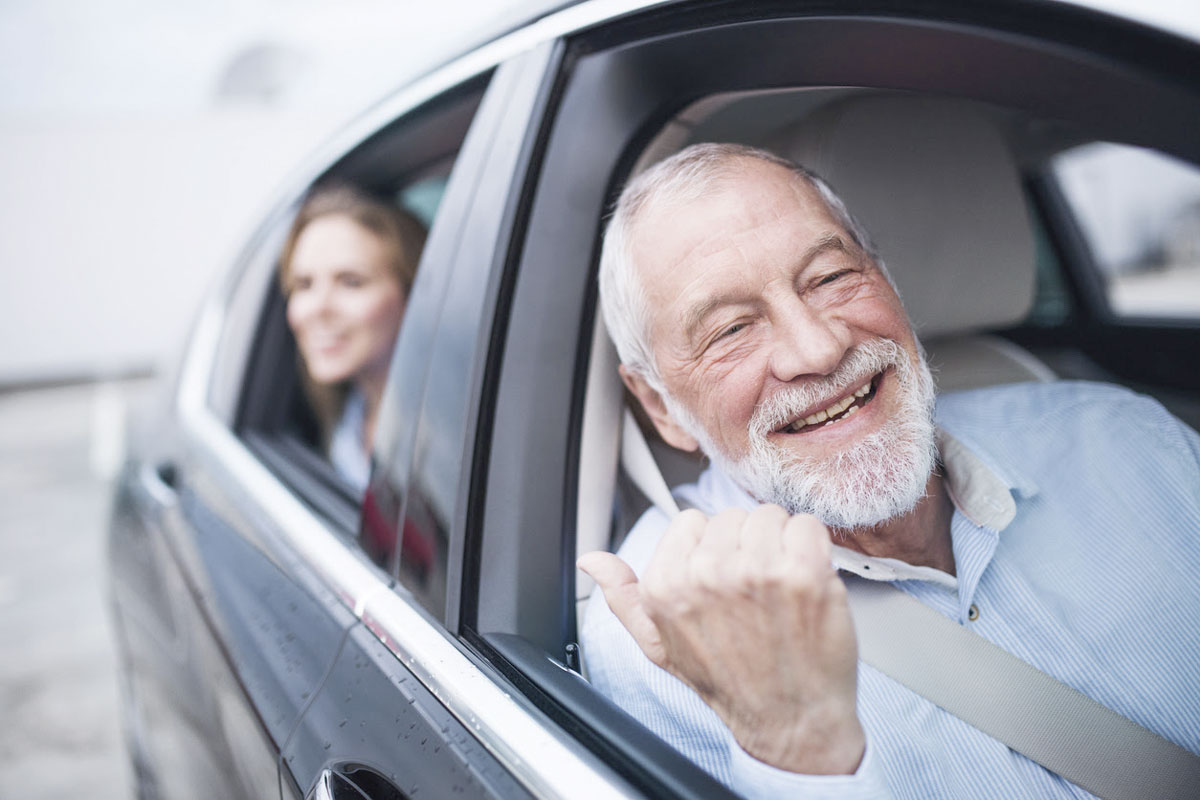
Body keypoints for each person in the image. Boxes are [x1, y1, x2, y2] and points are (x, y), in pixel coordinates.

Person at [578, 143, 1200, 798]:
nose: (817, 349)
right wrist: (794, 751)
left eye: (829, 278)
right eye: (732, 329)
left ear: (888, 280)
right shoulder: (660, 637)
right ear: (659, 407)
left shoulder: (1123, 439)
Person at [278, 184, 426, 490]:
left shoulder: (458, 436)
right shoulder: (345, 417)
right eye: (304, 284)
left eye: (352, 282)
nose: (318, 309)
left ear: (413, 295)